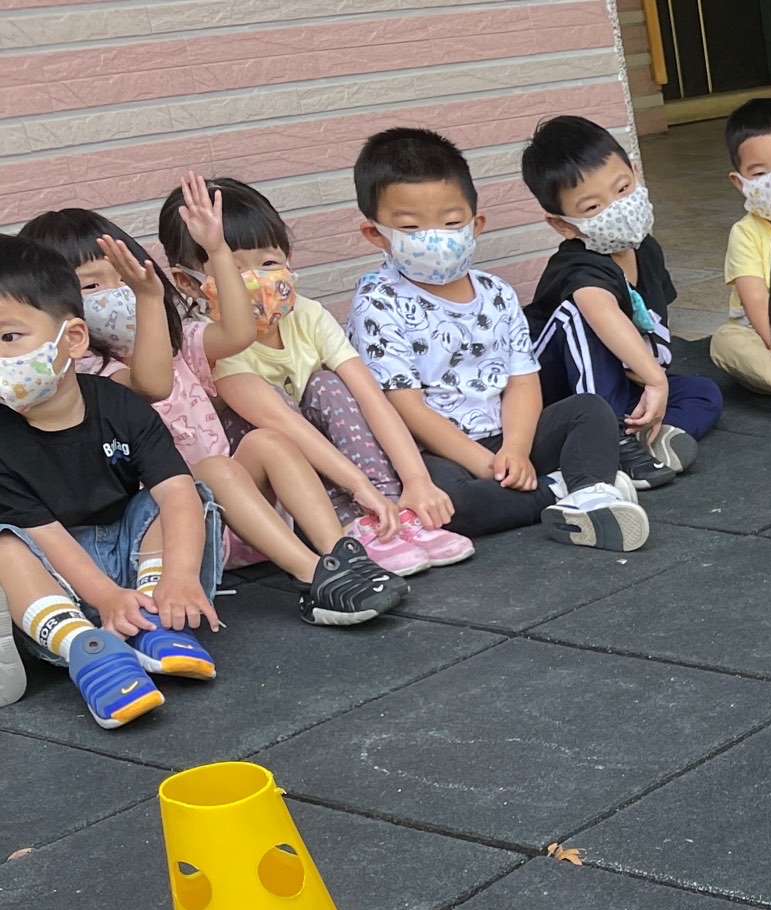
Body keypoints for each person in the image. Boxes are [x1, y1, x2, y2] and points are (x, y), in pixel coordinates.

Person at [25, 184, 410, 628]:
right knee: (212, 470)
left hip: (242, 516)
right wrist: (148, 302)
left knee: (268, 442)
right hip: (173, 538)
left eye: (126, 277)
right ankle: (314, 577)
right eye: (93, 286)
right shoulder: (88, 374)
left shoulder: (182, 345)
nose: (118, 293)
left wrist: (218, 250)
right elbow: (151, 383)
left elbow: (238, 333)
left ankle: (340, 554)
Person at [347, 126, 649, 551]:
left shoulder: (496, 293)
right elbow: (406, 407)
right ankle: (574, 489)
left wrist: (517, 449)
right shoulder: (377, 303)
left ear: (476, 224)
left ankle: (583, 492)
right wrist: (486, 464)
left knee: (590, 410)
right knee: (453, 505)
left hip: (509, 437)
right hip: (440, 451)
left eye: (452, 223)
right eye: (412, 227)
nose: (436, 237)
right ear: (376, 234)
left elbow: (523, 380)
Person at [158, 176, 467, 583]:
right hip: (267, 495)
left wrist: (416, 481)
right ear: (187, 282)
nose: (257, 279)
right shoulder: (207, 341)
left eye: (269, 263)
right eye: (233, 270)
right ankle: (349, 526)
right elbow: (283, 424)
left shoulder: (308, 315)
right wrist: (357, 485)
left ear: (288, 258)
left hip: (336, 470)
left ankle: (391, 512)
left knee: (327, 385)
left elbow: (370, 397)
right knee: (274, 407)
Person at [0, 236, 220, 729]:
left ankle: (157, 615)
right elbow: (45, 535)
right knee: (3, 543)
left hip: (137, 562)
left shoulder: (120, 405)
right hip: (58, 586)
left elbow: (176, 493)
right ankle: (87, 648)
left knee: (180, 496)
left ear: (73, 338)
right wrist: (103, 598)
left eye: (9, 336)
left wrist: (181, 576)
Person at [518, 113, 718, 488]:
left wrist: (654, 381)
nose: (617, 208)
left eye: (623, 188)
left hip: (619, 384)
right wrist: (655, 381)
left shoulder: (646, 250)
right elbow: (601, 312)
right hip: (560, 398)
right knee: (578, 314)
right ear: (563, 224)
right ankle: (605, 439)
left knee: (704, 393)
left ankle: (649, 439)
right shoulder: (578, 266)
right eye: (592, 207)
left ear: (636, 173)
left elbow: (653, 324)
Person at [710, 95, 771, 401]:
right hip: (762, 336)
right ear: (740, 183)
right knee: (725, 341)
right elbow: (756, 299)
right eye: (760, 174)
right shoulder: (745, 234)